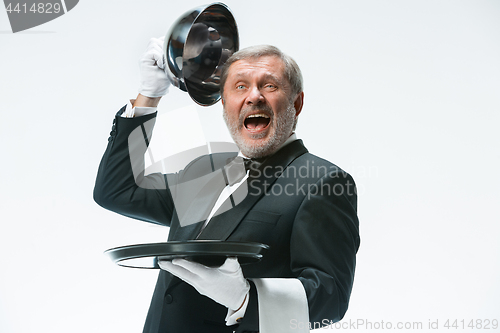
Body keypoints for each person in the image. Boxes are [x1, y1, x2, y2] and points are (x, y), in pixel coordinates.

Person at [94, 37, 360, 333]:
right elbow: (116, 190)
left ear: (296, 103)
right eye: (240, 86)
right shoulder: (204, 170)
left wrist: (245, 298)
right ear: (224, 105)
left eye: (269, 85)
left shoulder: (323, 181)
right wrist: (149, 96)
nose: (254, 96)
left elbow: (331, 297)